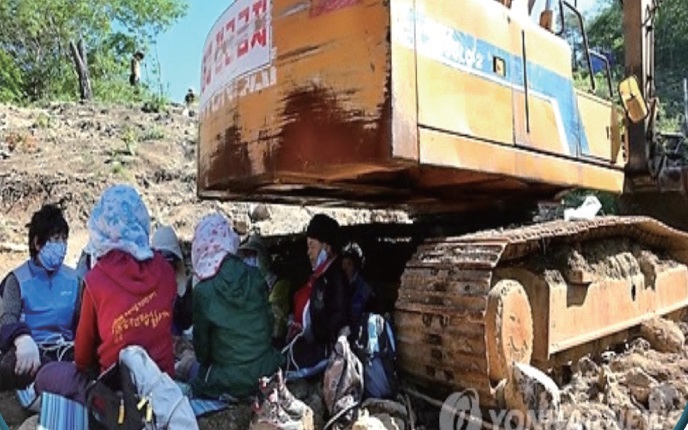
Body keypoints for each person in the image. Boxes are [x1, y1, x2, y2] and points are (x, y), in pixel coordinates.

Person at [34, 184, 177, 405]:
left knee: (47, 375)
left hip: (116, 397)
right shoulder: (166, 272)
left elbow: (81, 359)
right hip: (164, 389)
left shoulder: (96, 280)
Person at [187, 213, 283, 399]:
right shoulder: (255, 275)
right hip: (265, 368)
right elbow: (268, 324)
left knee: (191, 371)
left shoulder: (203, 292)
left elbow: (202, 353)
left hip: (227, 380)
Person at [0, 204, 80, 397]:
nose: (61, 246)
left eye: (64, 239)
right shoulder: (16, 280)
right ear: (37, 243)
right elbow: (6, 318)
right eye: (55, 239)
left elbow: (83, 321)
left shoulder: (75, 279)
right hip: (30, 353)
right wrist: (21, 338)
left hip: (67, 352)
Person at [286, 214, 350, 369]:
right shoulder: (320, 276)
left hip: (324, 351)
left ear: (326, 247)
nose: (308, 252)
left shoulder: (335, 278)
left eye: (312, 246)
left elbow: (337, 319)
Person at [238, 234, 292, 346]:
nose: (249, 260)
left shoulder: (279, 285)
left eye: (253, 255)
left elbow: (276, 326)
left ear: (262, 258)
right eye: (247, 256)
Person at [341, 242, 376, 326]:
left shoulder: (365, 291)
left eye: (349, 264)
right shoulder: (337, 286)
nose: (344, 268)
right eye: (343, 264)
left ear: (355, 267)